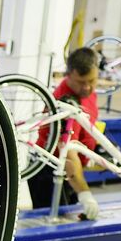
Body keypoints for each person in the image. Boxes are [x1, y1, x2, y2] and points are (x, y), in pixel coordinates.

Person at [28, 47, 102, 220]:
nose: (87, 87)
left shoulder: (87, 92)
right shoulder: (63, 102)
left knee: (73, 222)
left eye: (92, 80)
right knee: (55, 229)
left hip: (71, 173)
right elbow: (69, 156)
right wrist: (85, 195)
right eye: (81, 82)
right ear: (68, 75)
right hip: (50, 173)